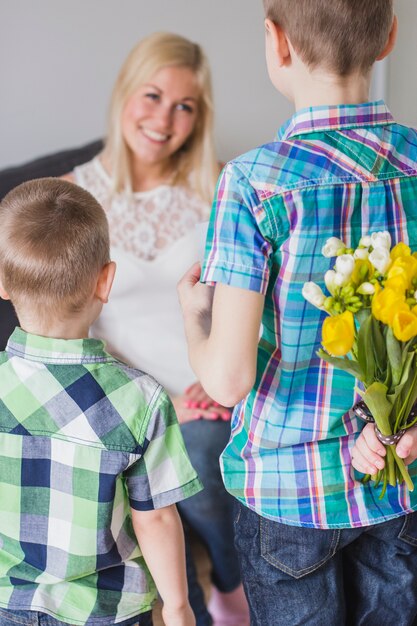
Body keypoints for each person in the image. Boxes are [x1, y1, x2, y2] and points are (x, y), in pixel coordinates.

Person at [177, 1, 417, 624]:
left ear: (275, 42)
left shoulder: (255, 183)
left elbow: (227, 381)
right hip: (399, 484)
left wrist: (193, 317)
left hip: (288, 493)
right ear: (390, 36)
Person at [63, 32, 248, 626]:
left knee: (200, 450)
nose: (164, 119)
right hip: (124, 392)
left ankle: (230, 577)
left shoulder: (223, 187)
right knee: (173, 452)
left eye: (185, 106)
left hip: (212, 383)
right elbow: (71, 320)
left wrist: (215, 382)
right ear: (124, 94)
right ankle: (190, 605)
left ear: (199, 117)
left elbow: (252, 301)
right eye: (152, 95)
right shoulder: (72, 197)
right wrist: (161, 400)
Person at [0, 178, 202, 626]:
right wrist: (178, 606)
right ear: (106, 281)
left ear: (3, 281)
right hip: (105, 611)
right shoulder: (141, 399)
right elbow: (156, 521)